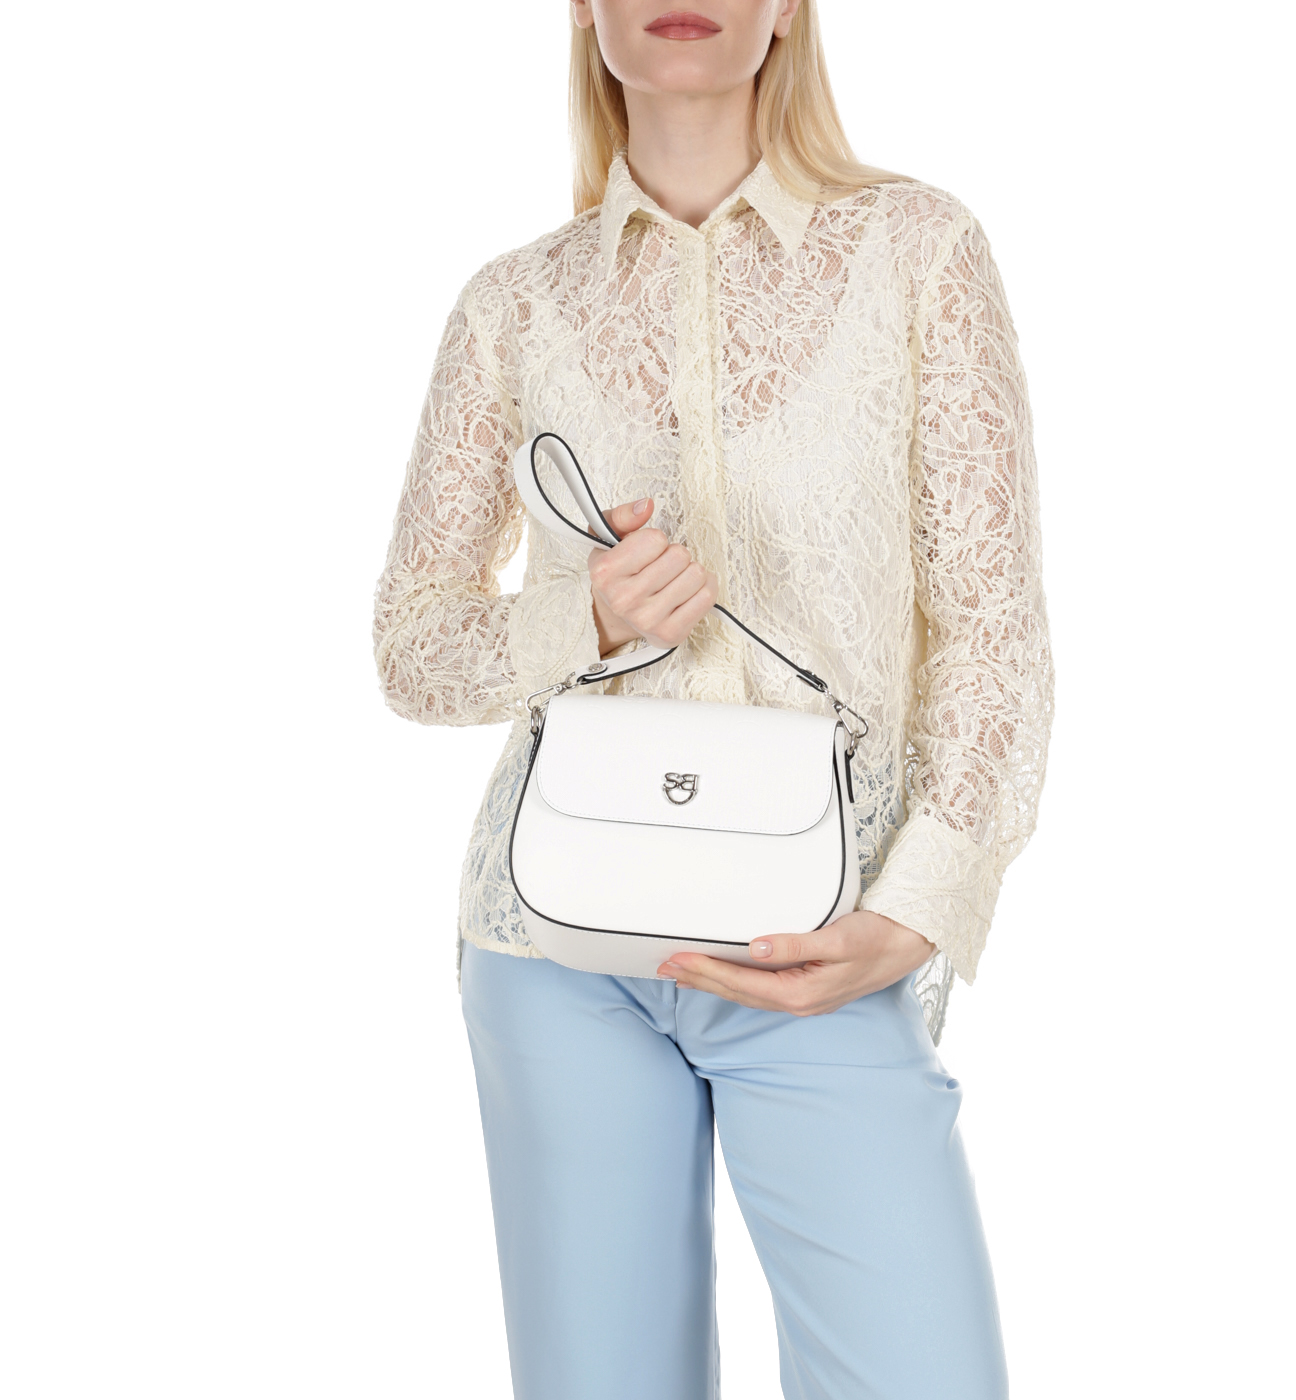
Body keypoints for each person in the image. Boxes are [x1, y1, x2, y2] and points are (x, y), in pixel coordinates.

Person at [372, 2, 1053, 1395]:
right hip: (556, 950)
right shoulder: (513, 303)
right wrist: (586, 615)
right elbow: (411, 645)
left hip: (827, 936)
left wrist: (921, 904)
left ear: (788, 7)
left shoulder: (918, 252)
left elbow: (993, 630)